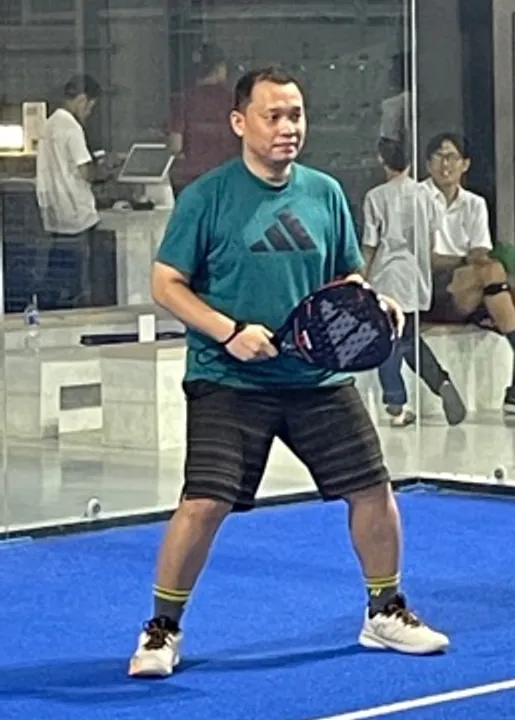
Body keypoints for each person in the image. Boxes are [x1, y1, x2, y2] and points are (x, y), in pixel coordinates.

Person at [128, 67, 449, 678]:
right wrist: (229, 331)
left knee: (373, 490)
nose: (287, 127)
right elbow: (166, 283)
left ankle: (384, 611)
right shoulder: (207, 197)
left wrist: (371, 301)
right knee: (204, 503)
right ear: (239, 122)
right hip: (229, 379)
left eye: (295, 115)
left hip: (317, 381)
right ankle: (162, 628)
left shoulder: (324, 193)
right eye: (272, 116)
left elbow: (346, 277)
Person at [423, 132, 515, 415]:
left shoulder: (474, 203)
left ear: (465, 164)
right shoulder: (418, 198)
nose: (445, 164)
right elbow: (427, 258)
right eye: (439, 157)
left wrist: (478, 262)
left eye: (452, 157)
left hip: (474, 288)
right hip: (434, 288)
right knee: (489, 270)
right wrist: (469, 261)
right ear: (428, 164)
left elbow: (480, 250)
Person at [362, 137, 466, 427]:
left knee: (388, 342)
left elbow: (370, 244)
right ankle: (441, 383)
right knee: (408, 339)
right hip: (414, 278)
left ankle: (396, 404)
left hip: (386, 278)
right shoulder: (426, 196)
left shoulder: (376, 197)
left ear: (382, 162)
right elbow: (431, 243)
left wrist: (361, 278)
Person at [35, 74, 111, 308]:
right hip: (77, 214)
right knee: (80, 277)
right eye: (90, 107)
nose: (89, 113)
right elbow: (85, 172)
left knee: (57, 271)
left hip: (54, 213)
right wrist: (106, 170)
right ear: (82, 100)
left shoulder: (49, 124)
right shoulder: (72, 127)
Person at [166, 43, 239, 195]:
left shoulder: (182, 100)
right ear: (220, 68)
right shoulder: (233, 101)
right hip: (227, 179)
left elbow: (175, 145)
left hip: (190, 180)